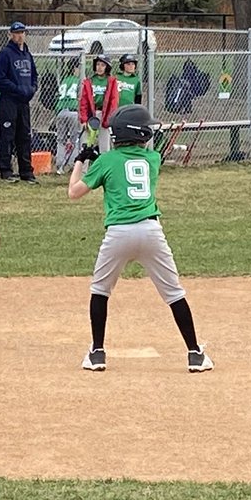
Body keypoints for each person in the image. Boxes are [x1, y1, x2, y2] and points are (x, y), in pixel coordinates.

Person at [67, 104, 214, 374]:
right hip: (150, 232)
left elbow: (74, 192)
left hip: (118, 234)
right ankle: (195, 354)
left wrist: (81, 160)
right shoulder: (153, 159)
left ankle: (97, 353)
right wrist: (104, 160)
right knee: (174, 293)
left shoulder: (107, 160)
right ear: (141, 134)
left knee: (100, 291)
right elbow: (132, 159)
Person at [0, 21, 39, 183]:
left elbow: (34, 75)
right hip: (9, 102)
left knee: (24, 137)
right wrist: (16, 89)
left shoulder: (27, 54)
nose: (19, 36)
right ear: (10, 35)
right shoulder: (6, 54)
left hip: (24, 103)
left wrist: (32, 89)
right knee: (8, 137)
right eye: (16, 33)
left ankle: (26, 171)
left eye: (22, 33)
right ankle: (6, 170)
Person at [78, 53, 118, 154]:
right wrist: (84, 120)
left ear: (107, 67)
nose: (99, 67)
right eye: (98, 64)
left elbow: (114, 101)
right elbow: (83, 102)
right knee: (86, 143)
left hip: (104, 114)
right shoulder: (90, 81)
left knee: (104, 145)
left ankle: (104, 168)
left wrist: (109, 119)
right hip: (91, 114)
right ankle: (83, 169)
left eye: (103, 65)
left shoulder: (111, 81)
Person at [53, 55, 82, 173]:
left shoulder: (65, 80)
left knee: (61, 139)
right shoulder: (79, 80)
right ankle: (72, 163)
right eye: (79, 67)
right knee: (75, 139)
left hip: (60, 111)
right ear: (75, 68)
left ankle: (59, 163)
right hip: (73, 111)